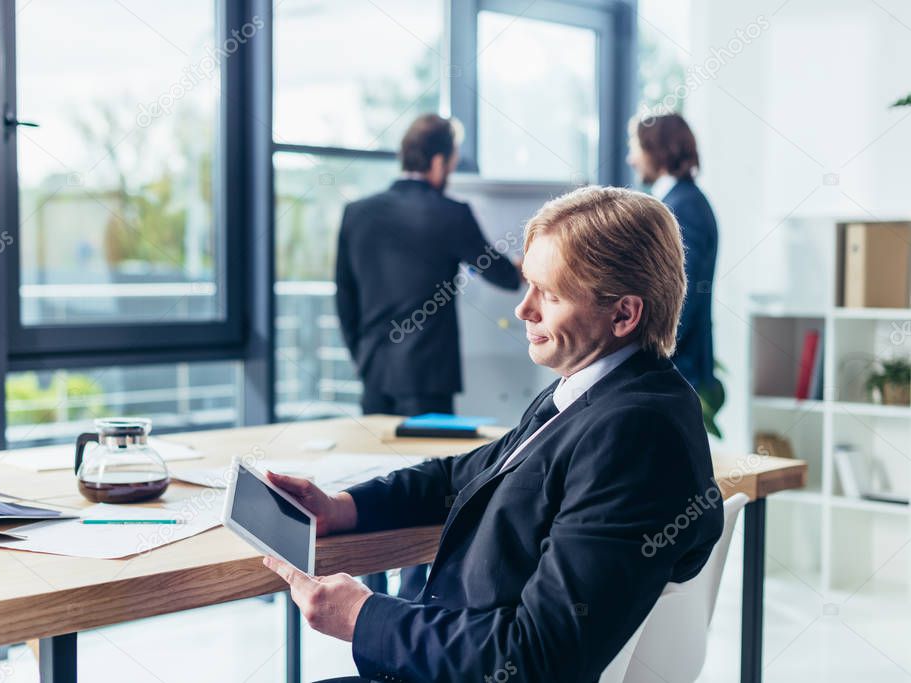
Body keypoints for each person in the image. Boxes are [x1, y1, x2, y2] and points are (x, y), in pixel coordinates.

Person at [266, 186, 725, 682]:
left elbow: (538, 657)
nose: (525, 310)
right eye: (529, 285)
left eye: (550, 294)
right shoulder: (597, 391)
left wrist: (362, 617)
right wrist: (343, 507)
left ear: (624, 314)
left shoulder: (635, 435)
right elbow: (466, 473)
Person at [335, 113, 521, 418]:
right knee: (428, 465)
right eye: (451, 163)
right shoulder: (451, 213)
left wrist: (362, 356)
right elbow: (502, 275)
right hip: (429, 377)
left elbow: (345, 297)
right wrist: (525, 266)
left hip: (374, 373)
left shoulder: (356, 213)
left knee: (374, 464)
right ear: (438, 162)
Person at [627, 113, 719, 393]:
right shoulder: (676, 202)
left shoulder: (683, 208)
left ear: (658, 151)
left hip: (676, 366)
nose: (632, 159)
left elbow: (682, 294)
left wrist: (643, 358)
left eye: (636, 149)